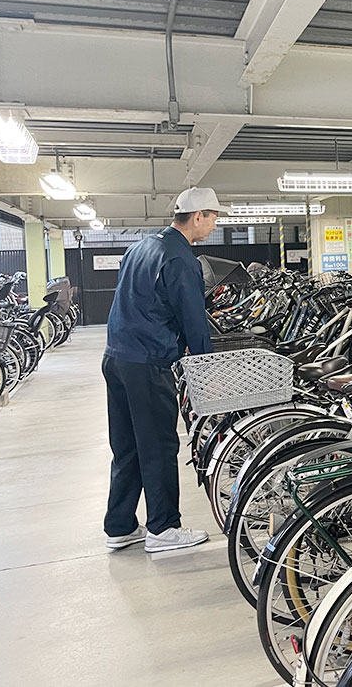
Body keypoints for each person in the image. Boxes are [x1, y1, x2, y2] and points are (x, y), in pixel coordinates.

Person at [103, 187, 224, 553]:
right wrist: (206, 369)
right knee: (158, 443)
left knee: (127, 446)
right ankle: (163, 527)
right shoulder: (181, 259)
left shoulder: (142, 246)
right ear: (198, 216)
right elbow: (193, 320)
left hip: (116, 357)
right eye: (214, 217)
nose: (214, 226)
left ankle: (120, 525)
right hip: (148, 361)